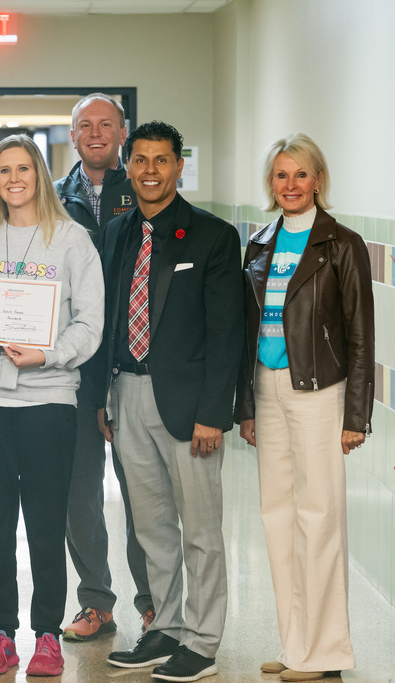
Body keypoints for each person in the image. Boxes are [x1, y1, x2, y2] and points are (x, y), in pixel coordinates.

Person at [99, 121, 243, 682]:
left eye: (162, 160)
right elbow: (110, 318)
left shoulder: (211, 235)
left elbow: (227, 332)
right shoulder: (115, 233)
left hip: (189, 406)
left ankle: (202, 642)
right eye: (141, 160)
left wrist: (215, 412)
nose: (151, 171)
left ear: (180, 166)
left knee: (201, 529)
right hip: (126, 391)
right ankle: (167, 628)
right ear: (126, 166)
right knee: (151, 525)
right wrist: (100, 398)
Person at [0, 134, 104, 677]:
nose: (14, 179)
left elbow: (90, 322)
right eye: (3, 171)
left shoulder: (73, 240)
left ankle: (46, 635)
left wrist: (48, 355)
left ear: (40, 175)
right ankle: (2, 632)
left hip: (48, 400)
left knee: (45, 523)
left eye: (23, 168)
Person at [235, 134, 374, 683]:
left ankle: (327, 654)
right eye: (280, 176)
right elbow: (249, 334)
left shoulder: (341, 243)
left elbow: (361, 335)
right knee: (277, 517)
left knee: (320, 520)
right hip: (268, 389)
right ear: (271, 184)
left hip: (319, 393)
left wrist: (355, 416)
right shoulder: (261, 242)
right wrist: (246, 405)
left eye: (300, 175)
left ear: (318, 179)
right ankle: (296, 647)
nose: (289, 185)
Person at [53, 93, 155, 642]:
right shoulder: (54, 198)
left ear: (122, 133)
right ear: (73, 137)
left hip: (128, 367)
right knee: (78, 494)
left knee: (141, 492)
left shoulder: (142, 192)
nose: (95, 133)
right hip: (73, 371)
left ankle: (153, 602)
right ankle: (96, 602)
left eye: (105, 125)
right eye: (84, 126)